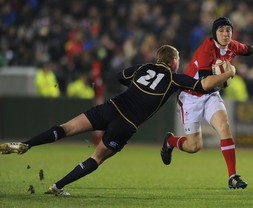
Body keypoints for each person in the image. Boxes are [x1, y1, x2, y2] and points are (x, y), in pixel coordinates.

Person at [0, 45, 236, 196]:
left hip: (110, 108)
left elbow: (118, 76)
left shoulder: (142, 68)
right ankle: (57, 186)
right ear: (174, 61)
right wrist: (228, 73)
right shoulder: (175, 78)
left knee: (65, 128)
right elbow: (202, 85)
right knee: (97, 157)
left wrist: (137, 85)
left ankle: (26, 144)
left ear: (157, 58)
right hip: (125, 125)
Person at [160, 17, 253, 189]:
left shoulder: (232, 46)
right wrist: (229, 73)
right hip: (191, 96)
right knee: (194, 146)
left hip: (211, 95)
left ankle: (232, 177)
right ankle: (170, 141)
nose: (225, 34)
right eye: (221, 30)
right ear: (215, 33)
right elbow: (205, 83)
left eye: (228, 30)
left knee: (225, 128)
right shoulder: (207, 48)